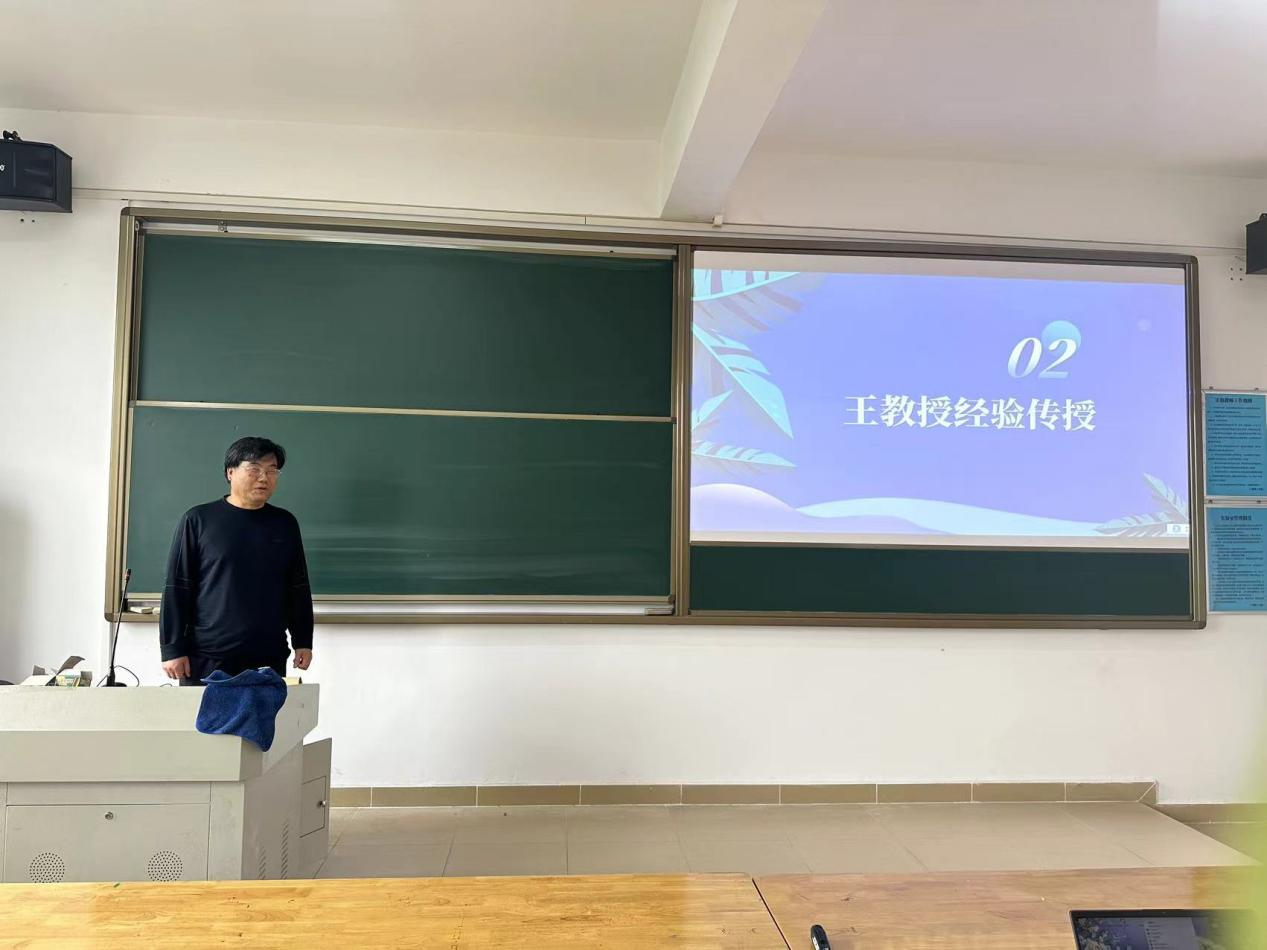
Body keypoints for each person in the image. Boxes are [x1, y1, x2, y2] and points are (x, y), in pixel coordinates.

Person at [159, 436, 314, 685]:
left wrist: (303, 640)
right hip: (208, 655)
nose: (264, 478)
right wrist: (172, 649)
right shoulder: (198, 520)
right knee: (205, 713)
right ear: (230, 472)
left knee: (264, 713)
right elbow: (178, 587)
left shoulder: (285, 524)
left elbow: (297, 587)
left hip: (268, 655)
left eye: (272, 470)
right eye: (254, 469)